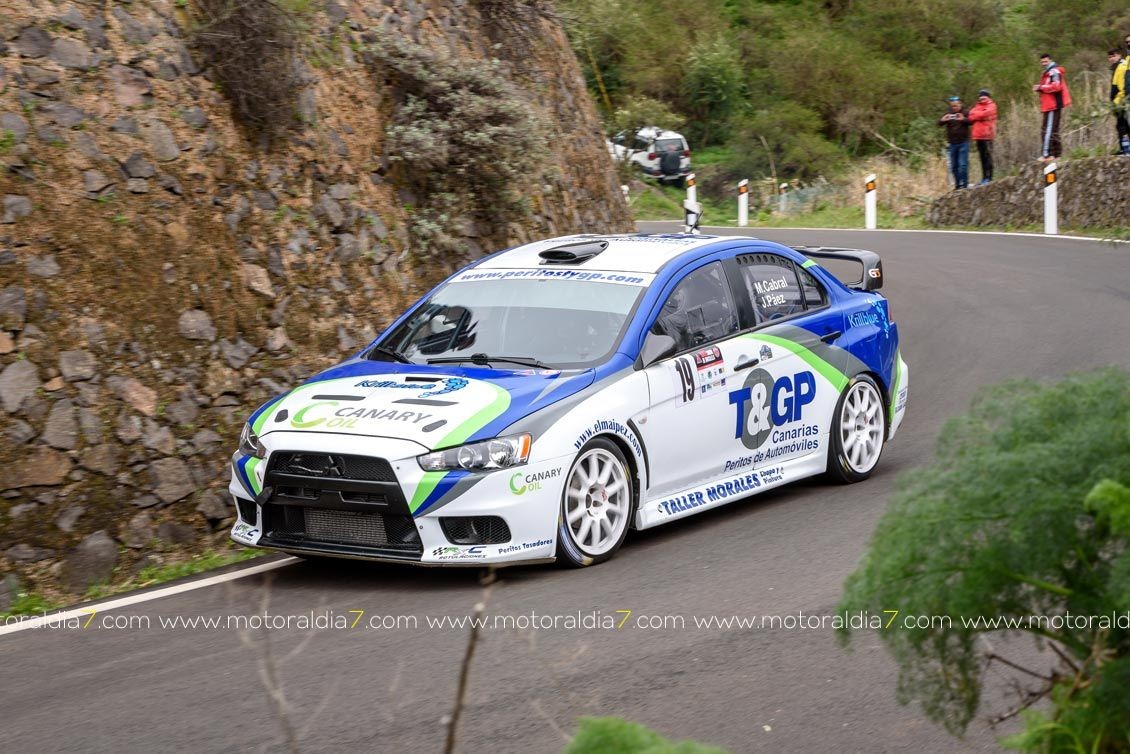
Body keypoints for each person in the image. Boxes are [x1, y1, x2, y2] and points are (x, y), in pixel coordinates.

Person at [1033, 53, 1071, 162]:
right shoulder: (1048, 72)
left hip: (1052, 105)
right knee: (1053, 130)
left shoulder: (1053, 71)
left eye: (1045, 61)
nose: (1043, 64)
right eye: (1042, 62)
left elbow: (1056, 86)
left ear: (1050, 60)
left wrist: (1040, 87)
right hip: (1049, 105)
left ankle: (1047, 154)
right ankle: (1057, 154)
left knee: (1047, 130)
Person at [938, 95, 971, 189]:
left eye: (956, 106)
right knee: (954, 166)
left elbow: (971, 121)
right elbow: (939, 123)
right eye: (952, 106)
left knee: (963, 165)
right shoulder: (948, 113)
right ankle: (957, 185)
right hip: (952, 143)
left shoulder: (965, 112)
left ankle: (965, 185)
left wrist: (963, 119)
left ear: (960, 104)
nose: (954, 108)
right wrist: (942, 120)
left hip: (963, 142)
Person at [967, 89, 998, 183]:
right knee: (982, 158)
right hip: (978, 136)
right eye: (980, 97)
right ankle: (984, 177)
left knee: (988, 157)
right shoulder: (977, 106)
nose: (982, 99)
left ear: (988, 97)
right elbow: (970, 116)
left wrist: (978, 115)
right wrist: (980, 115)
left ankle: (990, 177)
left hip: (988, 135)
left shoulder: (992, 105)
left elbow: (985, 114)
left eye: (984, 97)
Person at [1108, 48, 1130, 156]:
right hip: (1120, 100)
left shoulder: (1121, 67)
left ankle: (1124, 149)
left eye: (1113, 56)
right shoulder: (1118, 66)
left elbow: (1119, 87)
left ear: (1119, 55)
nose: (1111, 58)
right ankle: (1124, 148)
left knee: (1122, 125)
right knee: (1123, 125)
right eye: (1109, 57)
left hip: (1121, 100)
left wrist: (1115, 101)